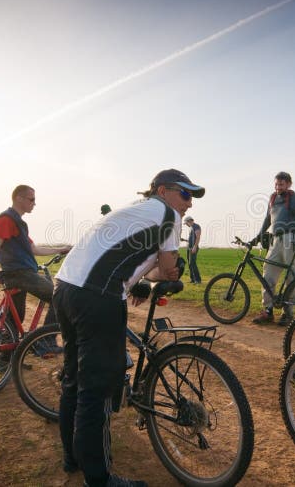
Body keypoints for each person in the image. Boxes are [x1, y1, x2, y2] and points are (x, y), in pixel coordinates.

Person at [53, 169, 204, 487]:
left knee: (73, 379)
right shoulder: (169, 215)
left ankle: (72, 458)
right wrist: (169, 273)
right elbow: (166, 268)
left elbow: (126, 257)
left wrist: (138, 283)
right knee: (97, 391)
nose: (189, 204)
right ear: (163, 191)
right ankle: (99, 478)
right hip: (98, 296)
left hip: (66, 287)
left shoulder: (132, 210)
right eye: (186, 195)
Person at [0, 185, 72, 334]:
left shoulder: (18, 223)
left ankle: (5, 354)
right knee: (59, 297)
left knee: (14, 320)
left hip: (19, 274)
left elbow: (34, 249)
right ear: (19, 198)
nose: (34, 203)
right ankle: (45, 342)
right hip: (21, 274)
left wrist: (60, 249)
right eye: (32, 199)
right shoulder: (6, 219)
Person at [251, 171, 295, 326]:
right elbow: (268, 219)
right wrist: (258, 235)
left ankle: (287, 314)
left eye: (281, 184)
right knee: (268, 275)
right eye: (276, 184)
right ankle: (267, 311)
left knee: (291, 277)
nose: (277, 187)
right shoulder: (272, 198)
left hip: (290, 239)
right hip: (275, 239)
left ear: (289, 184)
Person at [184, 216, 202, 284]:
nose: (186, 225)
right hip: (189, 248)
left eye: (186, 223)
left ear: (189, 221)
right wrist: (185, 240)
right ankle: (192, 279)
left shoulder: (196, 226)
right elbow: (191, 238)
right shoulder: (191, 228)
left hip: (193, 248)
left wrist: (195, 246)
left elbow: (198, 237)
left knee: (192, 263)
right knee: (189, 264)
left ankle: (198, 280)